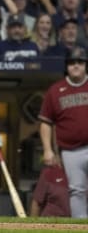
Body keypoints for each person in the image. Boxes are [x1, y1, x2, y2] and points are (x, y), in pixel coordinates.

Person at [38, 46, 88, 218]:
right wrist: (47, 149)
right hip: (70, 151)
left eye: (80, 62)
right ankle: (81, 229)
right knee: (76, 191)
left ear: (86, 65)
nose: (76, 66)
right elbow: (45, 122)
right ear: (66, 66)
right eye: (72, 62)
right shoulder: (55, 90)